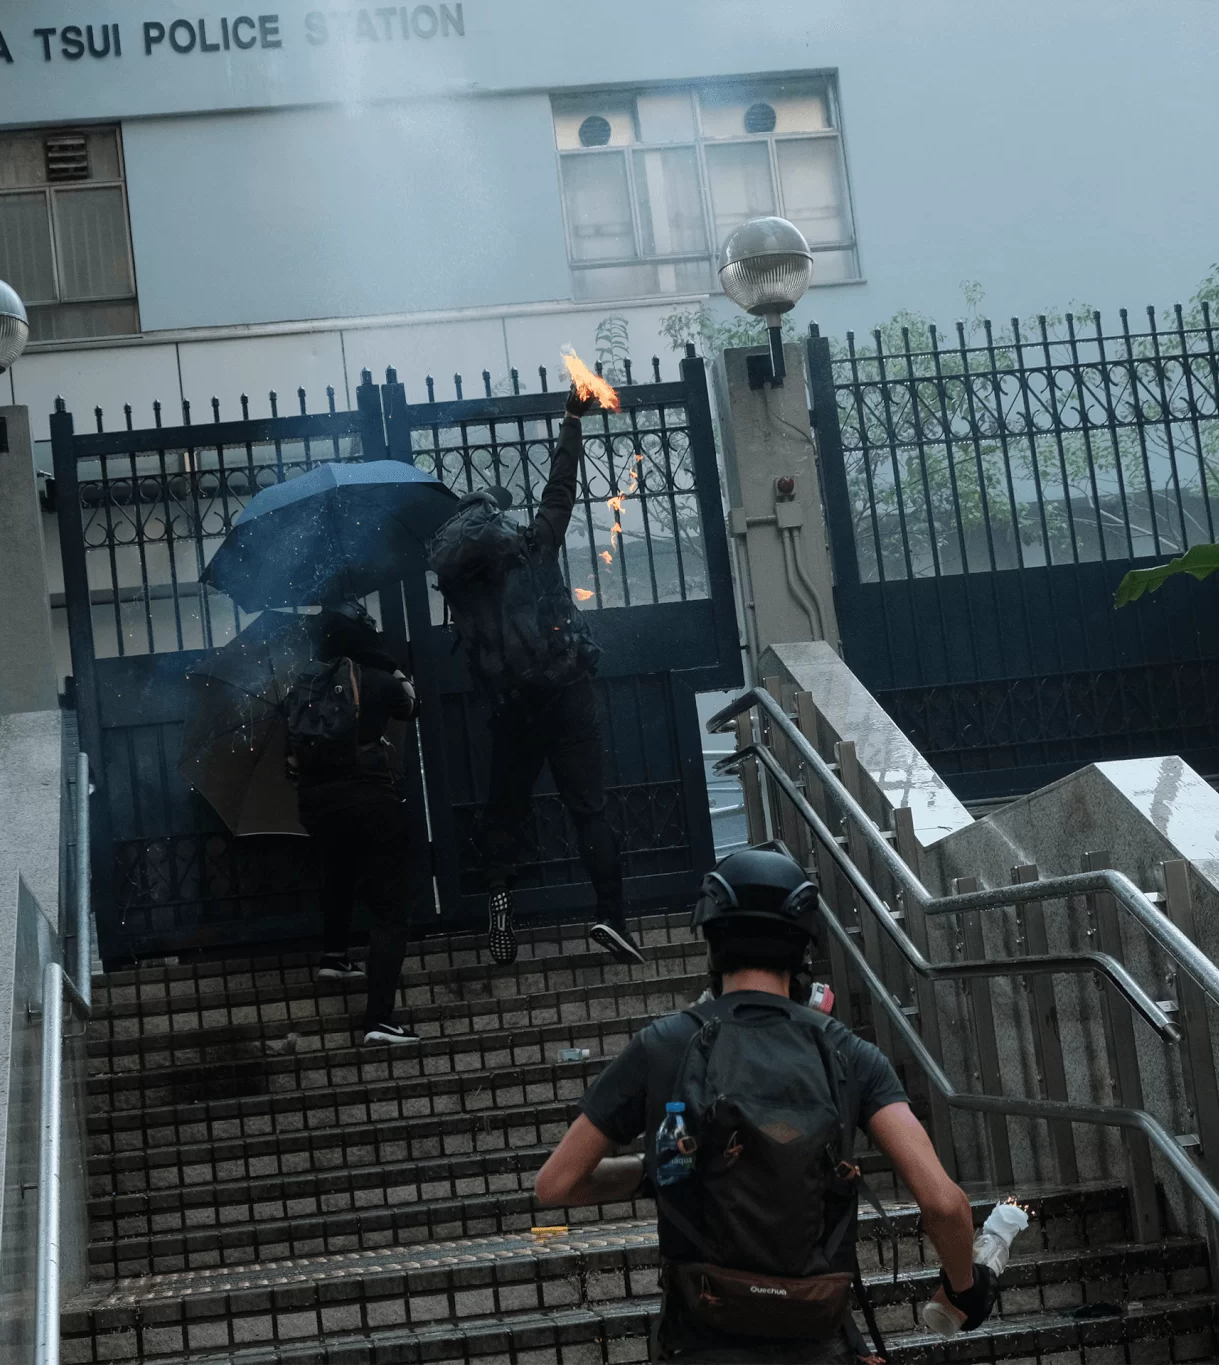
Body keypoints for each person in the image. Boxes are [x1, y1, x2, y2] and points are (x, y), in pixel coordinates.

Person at [533, 846, 997, 1362]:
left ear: (712, 941)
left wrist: (655, 1172)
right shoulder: (850, 1054)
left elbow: (557, 1184)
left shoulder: (661, 1046)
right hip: (818, 1342)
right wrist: (964, 1286)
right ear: (803, 949)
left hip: (699, 1342)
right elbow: (943, 1204)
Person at [427, 389, 641, 968]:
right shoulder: (531, 545)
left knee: (504, 808)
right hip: (566, 691)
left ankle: (500, 901)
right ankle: (612, 916)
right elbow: (560, 489)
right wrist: (571, 419)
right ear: (495, 519)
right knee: (588, 808)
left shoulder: (457, 583)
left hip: (510, 707)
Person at [286, 599, 420, 1044]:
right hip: (370, 800)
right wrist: (394, 670)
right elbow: (411, 706)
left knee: (338, 867)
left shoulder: (302, 687)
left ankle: (334, 954)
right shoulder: (377, 680)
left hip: (317, 806)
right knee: (391, 913)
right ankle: (379, 1019)